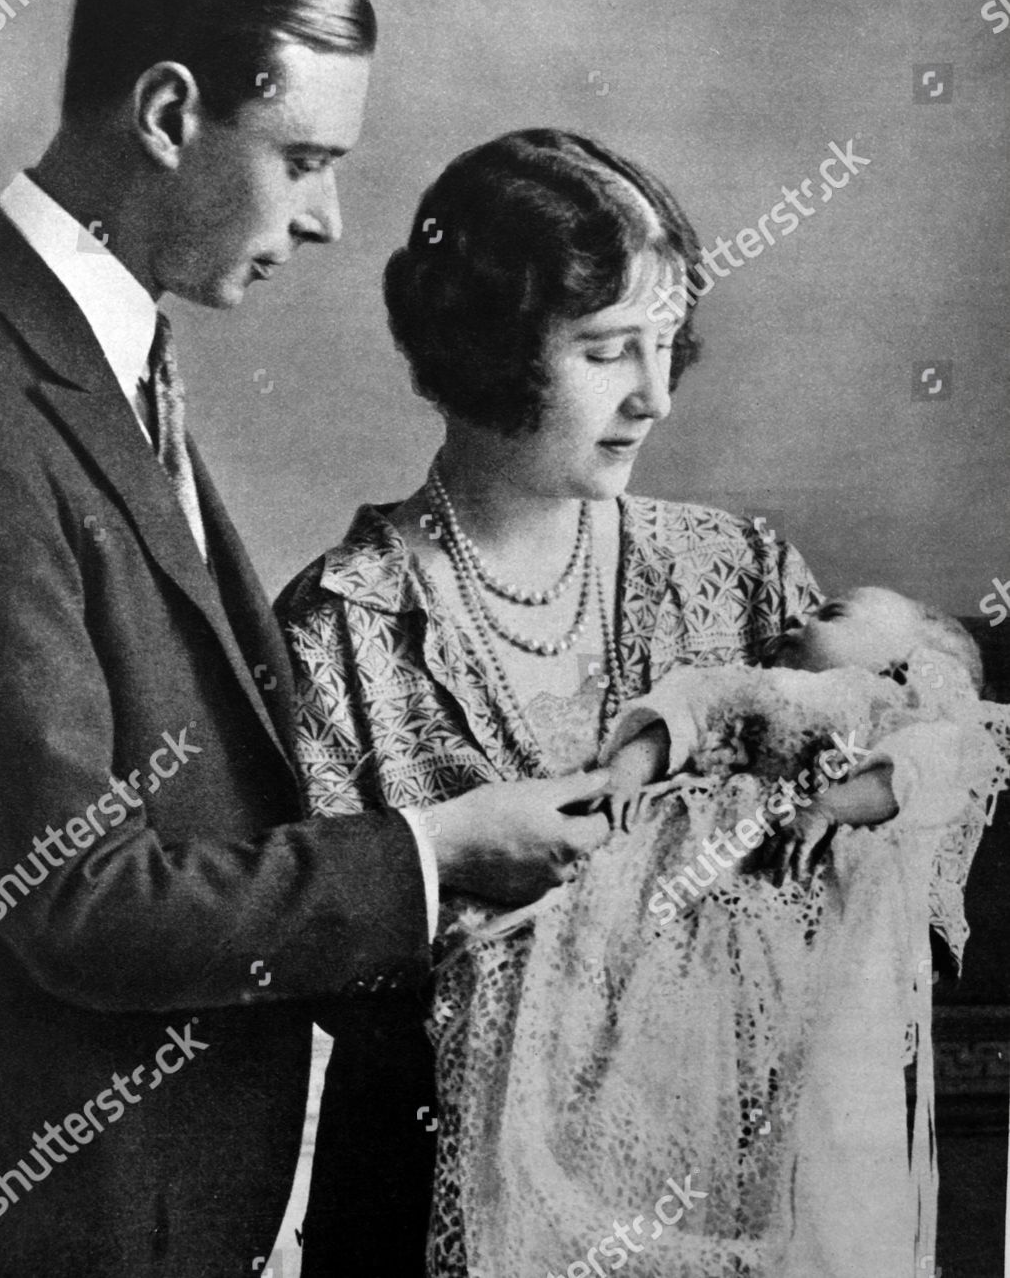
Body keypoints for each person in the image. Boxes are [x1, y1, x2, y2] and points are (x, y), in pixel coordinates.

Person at [0, 0, 609, 1277]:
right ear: (163, 114)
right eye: (304, 159)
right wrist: (429, 864)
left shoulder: (86, 354)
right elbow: (75, 899)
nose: (328, 219)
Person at [275, 129, 987, 1276]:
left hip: (726, 1212)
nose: (653, 397)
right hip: (427, 1217)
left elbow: (904, 818)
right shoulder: (341, 627)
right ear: (487, 347)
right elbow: (311, 956)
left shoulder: (738, 572)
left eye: (665, 347)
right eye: (608, 352)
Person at [435, 585, 1008, 1278]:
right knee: (633, 1026)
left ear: (905, 665)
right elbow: (681, 713)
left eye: (831, 615)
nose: (798, 617)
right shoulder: (750, 683)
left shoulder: (893, 709)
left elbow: (917, 771)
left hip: (781, 898)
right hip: (670, 885)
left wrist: (829, 806)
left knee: (782, 1092)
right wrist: (623, 771)